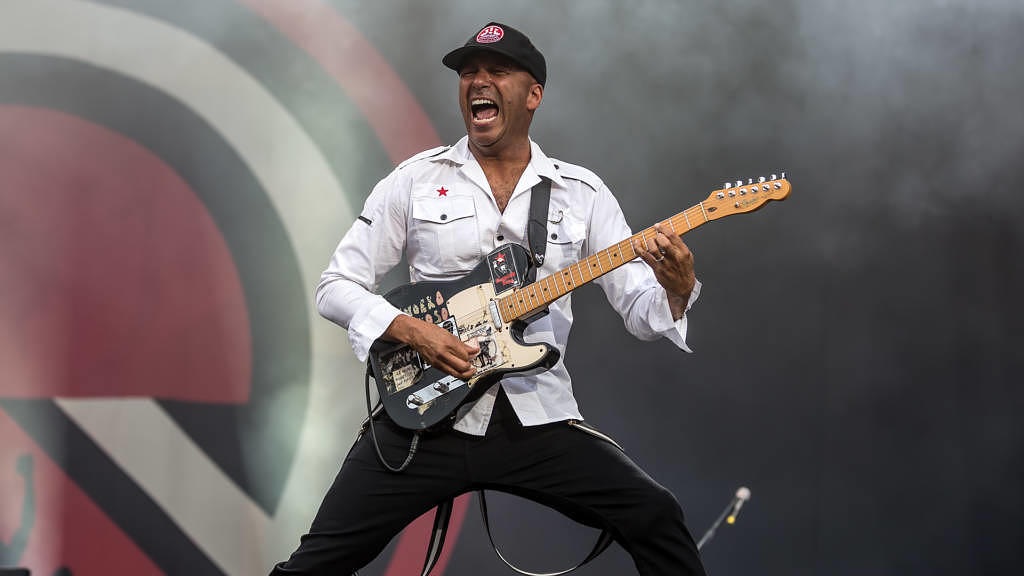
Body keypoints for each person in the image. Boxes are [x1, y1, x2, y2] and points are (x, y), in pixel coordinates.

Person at [271, 22, 707, 576]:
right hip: (424, 417)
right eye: (468, 73)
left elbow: (642, 314)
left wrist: (677, 287)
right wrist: (412, 331)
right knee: (316, 564)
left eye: (497, 71)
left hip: (535, 416)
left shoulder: (581, 193)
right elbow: (335, 286)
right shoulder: (415, 180)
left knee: (655, 515)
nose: (478, 81)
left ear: (533, 95)